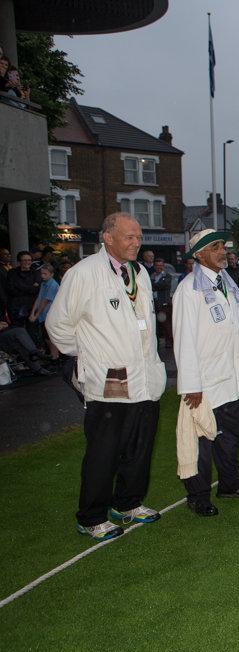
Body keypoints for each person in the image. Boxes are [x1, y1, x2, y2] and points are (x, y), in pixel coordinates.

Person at [45, 212, 166, 540]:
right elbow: (57, 325)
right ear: (107, 237)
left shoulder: (139, 272)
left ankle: (128, 503)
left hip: (144, 377)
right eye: (129, 236)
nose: (135, 242)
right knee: (104, 450)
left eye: (138, 237)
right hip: (108, 382)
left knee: (139, 446)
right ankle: (91, 516)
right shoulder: (83, 274)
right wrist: (90, 355)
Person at [173, 229, 239, 517]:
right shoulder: (189, 289)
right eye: (215, 247)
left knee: (229, 436)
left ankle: (229, 484)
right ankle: (198, 496)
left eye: (223, 246)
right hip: (204, 381)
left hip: (228, 375)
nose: (222, 251)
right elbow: (184, 339)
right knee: (202, 441)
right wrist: (191, 385)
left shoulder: (226, 281)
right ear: (198, 254)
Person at [28, 263, 60, 359]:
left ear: (51, 274)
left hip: (50, 315)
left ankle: (55, 357)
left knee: (50, 338)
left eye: (45, 274)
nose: (42, 276)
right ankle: (53, 356)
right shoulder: (43, 283)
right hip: (43, 315)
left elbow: (45, 301)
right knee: (46, 337)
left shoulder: (53, 284)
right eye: (42, 273)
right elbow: (39, 298)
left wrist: (35, 315)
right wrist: (32, 313)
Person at [6, 251, 40, 326]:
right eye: (24, 260)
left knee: (32, 331)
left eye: (29, 260)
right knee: (18, 331)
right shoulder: (12, 272)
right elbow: (11, 290)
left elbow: (36, 290)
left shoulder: (35, 273)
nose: (27, 262)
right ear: (19, 262)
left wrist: (20, 286)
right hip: (16, 308)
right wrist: (31, 287)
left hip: (31, 307)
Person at [150, 257, 174, 347]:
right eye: (157, 265)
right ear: (154, 266)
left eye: (161, 265)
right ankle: (156, 343)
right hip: (154, 303)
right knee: (155, 325)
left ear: (163, 266)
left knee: (166, 324)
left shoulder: (167, 276)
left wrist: (153, 285)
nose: (159, 267)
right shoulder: (151, 275)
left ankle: (170, 342)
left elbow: (162, 286)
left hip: (164, 304)